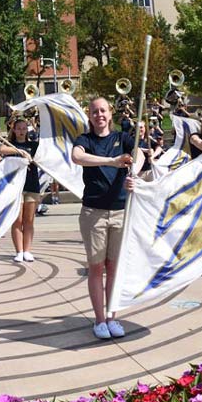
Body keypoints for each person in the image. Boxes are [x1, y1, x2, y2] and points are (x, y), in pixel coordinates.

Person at [70, 96, 142, 340]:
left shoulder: (122, 138)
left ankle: (112, 316)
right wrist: (112, 161)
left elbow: (139, 154)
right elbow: (77, 157)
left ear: (110, 114)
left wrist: (134, 171)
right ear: (89, 116)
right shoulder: (85, 140)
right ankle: (100, 320)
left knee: (114, 267)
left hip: (120, 211)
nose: (99, 115)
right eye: (94, 111)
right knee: (96, 267)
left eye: (103, 111)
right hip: (94, 212)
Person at [0, 119, 39, 263]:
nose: (21, 131)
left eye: (24, 128)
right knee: (17, 220)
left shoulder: (34, 145)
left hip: (32, 186)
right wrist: (19, 151)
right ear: (14, 130)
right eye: (19, 128)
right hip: (15, 186)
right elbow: (2, 150)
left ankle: (27, 250)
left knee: (29, 220)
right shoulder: (10, 145)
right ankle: (19, 251)